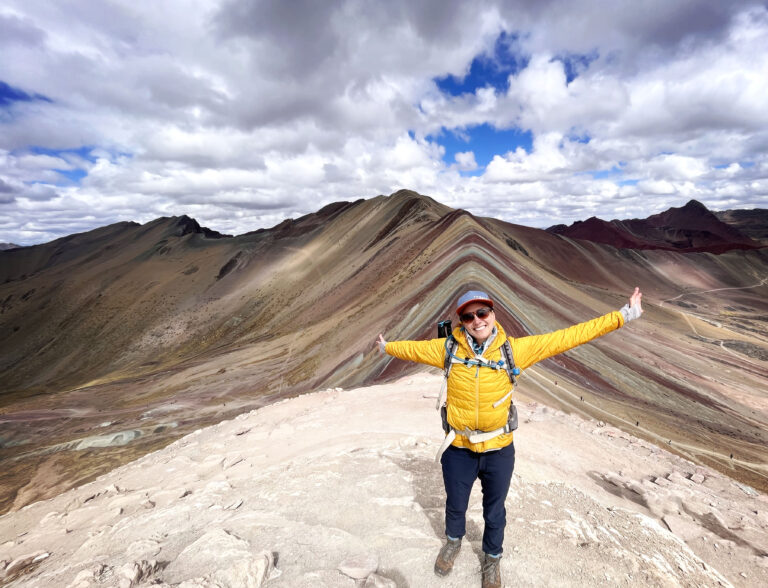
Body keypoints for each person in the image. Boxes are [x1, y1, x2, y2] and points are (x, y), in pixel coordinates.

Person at [374, 287, 643, 588]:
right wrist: (387, 348)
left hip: (498, 449)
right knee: (455, 504)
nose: (477, 320)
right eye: (468, 316)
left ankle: (492, 559)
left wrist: (624, 315)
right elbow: (411, 349)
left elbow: (568, 337)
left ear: (493, 314)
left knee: (494, 510)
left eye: (482, 313)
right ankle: (453, 542)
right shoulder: (447, 349)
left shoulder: (514, 350)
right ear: (461, 321)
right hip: (459, 447)